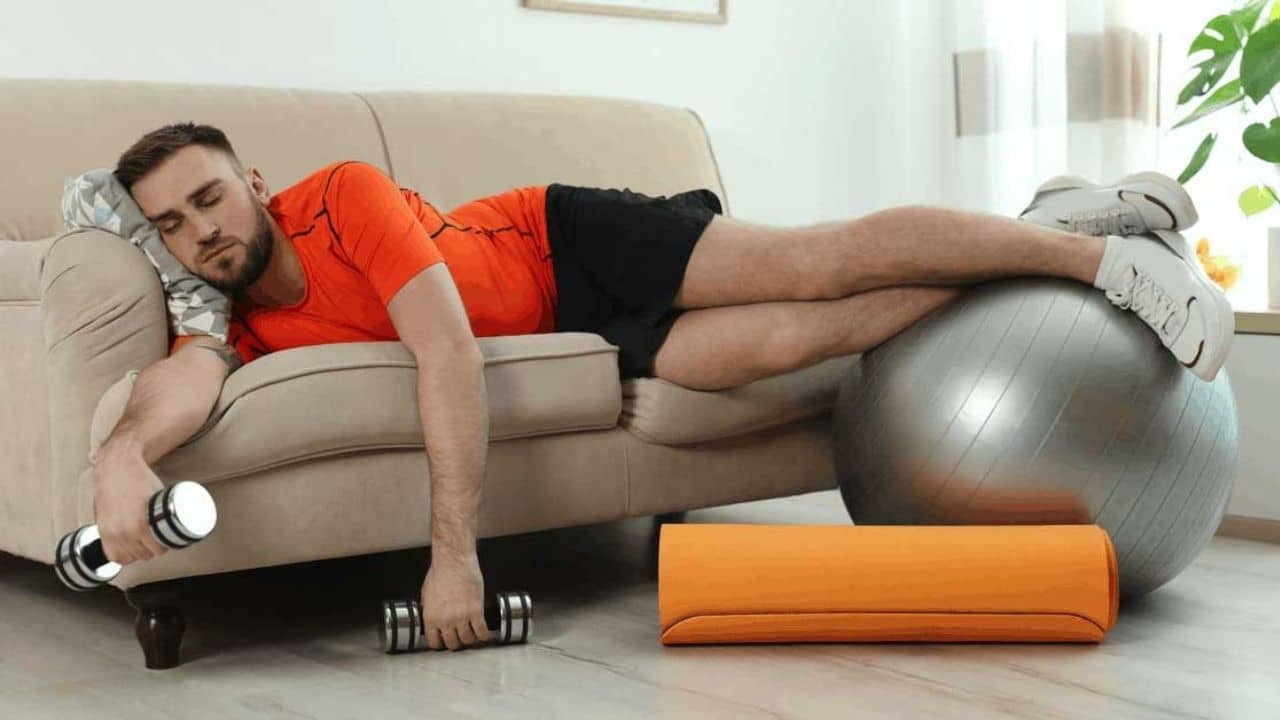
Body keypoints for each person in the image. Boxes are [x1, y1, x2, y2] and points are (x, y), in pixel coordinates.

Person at [90, 122, 1233, 652]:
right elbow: (180, 384)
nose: (200, 229)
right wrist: (119, 457)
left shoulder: (340, 196)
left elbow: (445, 351)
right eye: (172, 224)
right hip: (582, 327)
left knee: (815, 261)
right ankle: (1035, 231)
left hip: (567, 240)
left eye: (209, 198)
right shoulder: (224, 314)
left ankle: (1098, 255)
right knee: (789, 338)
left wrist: (453, 557)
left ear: (252, 182)